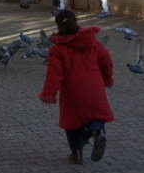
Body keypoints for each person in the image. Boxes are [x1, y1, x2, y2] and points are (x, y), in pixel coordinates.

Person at [39, 9, 114, 164]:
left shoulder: (57, 49)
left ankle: (77, 152)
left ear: (58, 26)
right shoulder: (92, 42)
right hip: (95, 87)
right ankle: (98, 132)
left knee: (73, 122)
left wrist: (49, 94)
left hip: (73, 91)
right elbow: (106, 61)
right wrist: (107, 80)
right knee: (95, 114)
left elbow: (54, 75)